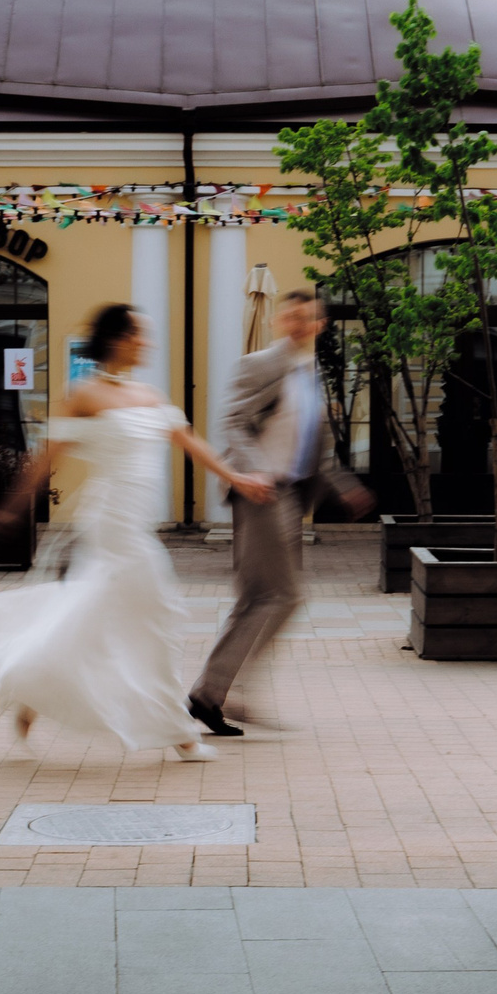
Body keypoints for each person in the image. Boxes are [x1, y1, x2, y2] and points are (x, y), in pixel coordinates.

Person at [0, 304, 274, 761]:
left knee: (100, 615)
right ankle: (179, 734)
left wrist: (240, 478)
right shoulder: (84, 394)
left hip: (135, 523)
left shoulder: (149, 395)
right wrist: (12, 507)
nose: (147, 343)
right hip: (112, 523)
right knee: (152, 615)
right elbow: (47, 460)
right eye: (141, 335)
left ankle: (31, 689)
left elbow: (192, 444)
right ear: (118, 339)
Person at [191, 286, 373, 737]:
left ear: (319, 325)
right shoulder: (260, 365)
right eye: (289, 317)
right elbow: (232, 421)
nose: (296, 325)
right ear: (277, 321)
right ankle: (217, 693)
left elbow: (316, 445)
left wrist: (344, 487)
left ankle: (217, 693)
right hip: (262, 493)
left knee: (257, 598)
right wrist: (251, 474)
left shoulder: (309, 372)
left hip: (291, 494)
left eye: (305, 318)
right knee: (283, 596)